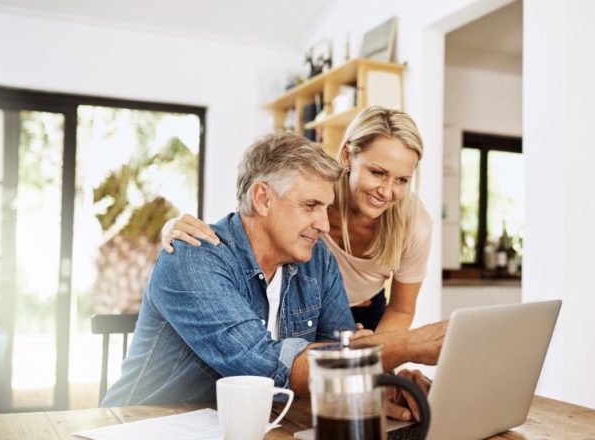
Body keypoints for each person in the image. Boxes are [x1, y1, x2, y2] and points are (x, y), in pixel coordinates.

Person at [101, 133, 445, 417]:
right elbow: (267, 366)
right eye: (310, 206)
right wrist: (409, 345)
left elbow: (345, 348)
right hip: (141, 425)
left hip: (252, 425)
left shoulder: (317, 260)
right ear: (263, 198)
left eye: (326, 208)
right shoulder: (193, 258)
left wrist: (386, 383)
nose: (324, 225)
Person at [163, 106, 432, 332]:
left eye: (402, 180)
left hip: (366, 313)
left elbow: (401, 308)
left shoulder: (414, 225)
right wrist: (174, 230)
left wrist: (378, 350)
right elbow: (252, 218)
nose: (386, 191)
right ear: (349, 155)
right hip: (302, 301)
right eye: (377, 172)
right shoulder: (316, 186)